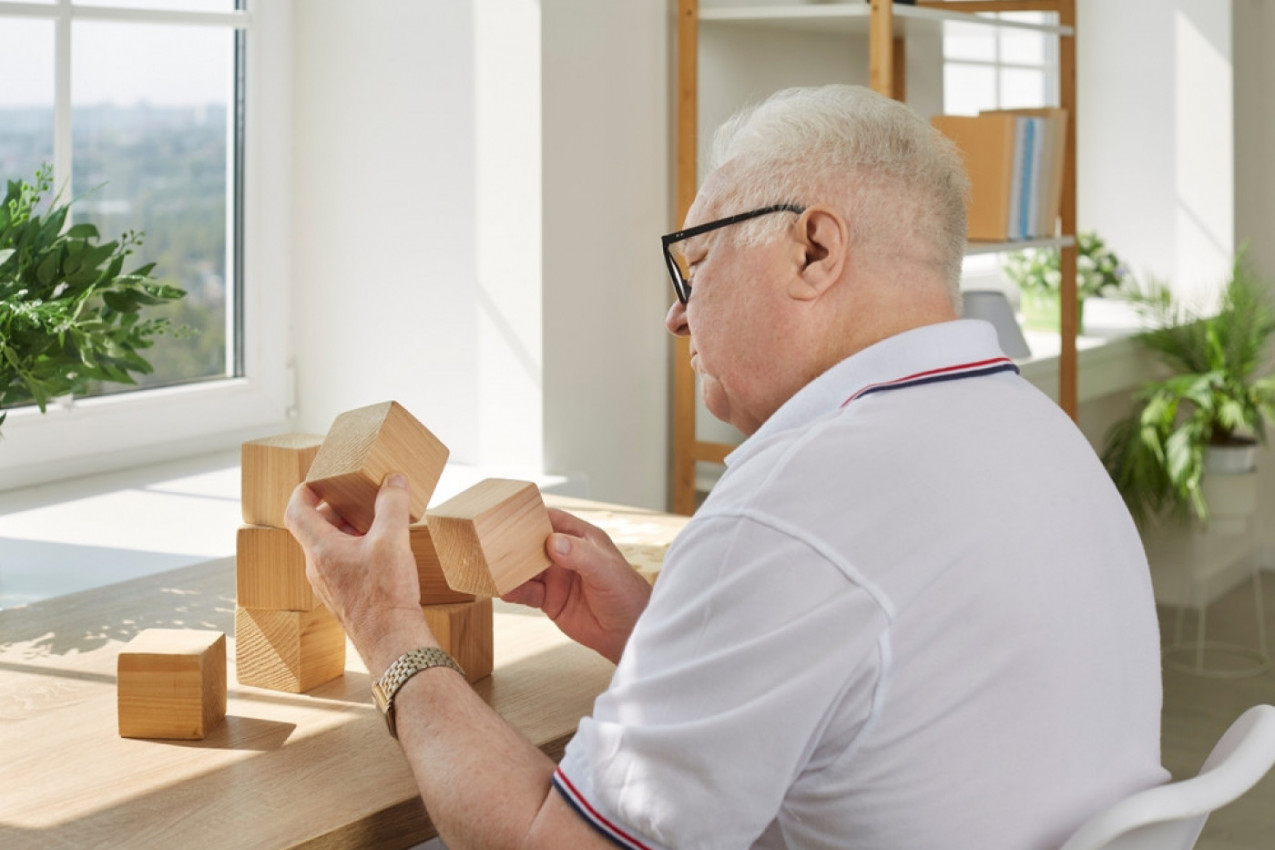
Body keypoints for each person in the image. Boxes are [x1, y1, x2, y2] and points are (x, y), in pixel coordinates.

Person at [285, 84, 1168, 850]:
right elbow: (894, 698)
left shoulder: (798, 499)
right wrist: (656, 631)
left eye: (696, 263)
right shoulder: (1032, 431)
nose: (675, 318)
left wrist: (387, 627)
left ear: (813, 250)